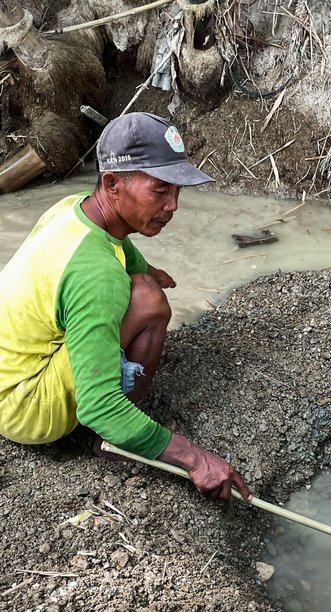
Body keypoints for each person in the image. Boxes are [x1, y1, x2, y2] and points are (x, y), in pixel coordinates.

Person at [0, 112, 250, 502]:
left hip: (7, 375)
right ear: (112, 184)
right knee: (148, 301)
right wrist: (195, 459)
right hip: (25, 408)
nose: (173, 206)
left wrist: (147, 268)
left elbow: (117, 244)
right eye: (160, 191)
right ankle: (113, 443)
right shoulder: (97, 277)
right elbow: (98, 406)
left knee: (144, 285)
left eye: (177, 191)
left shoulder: (73, 207)